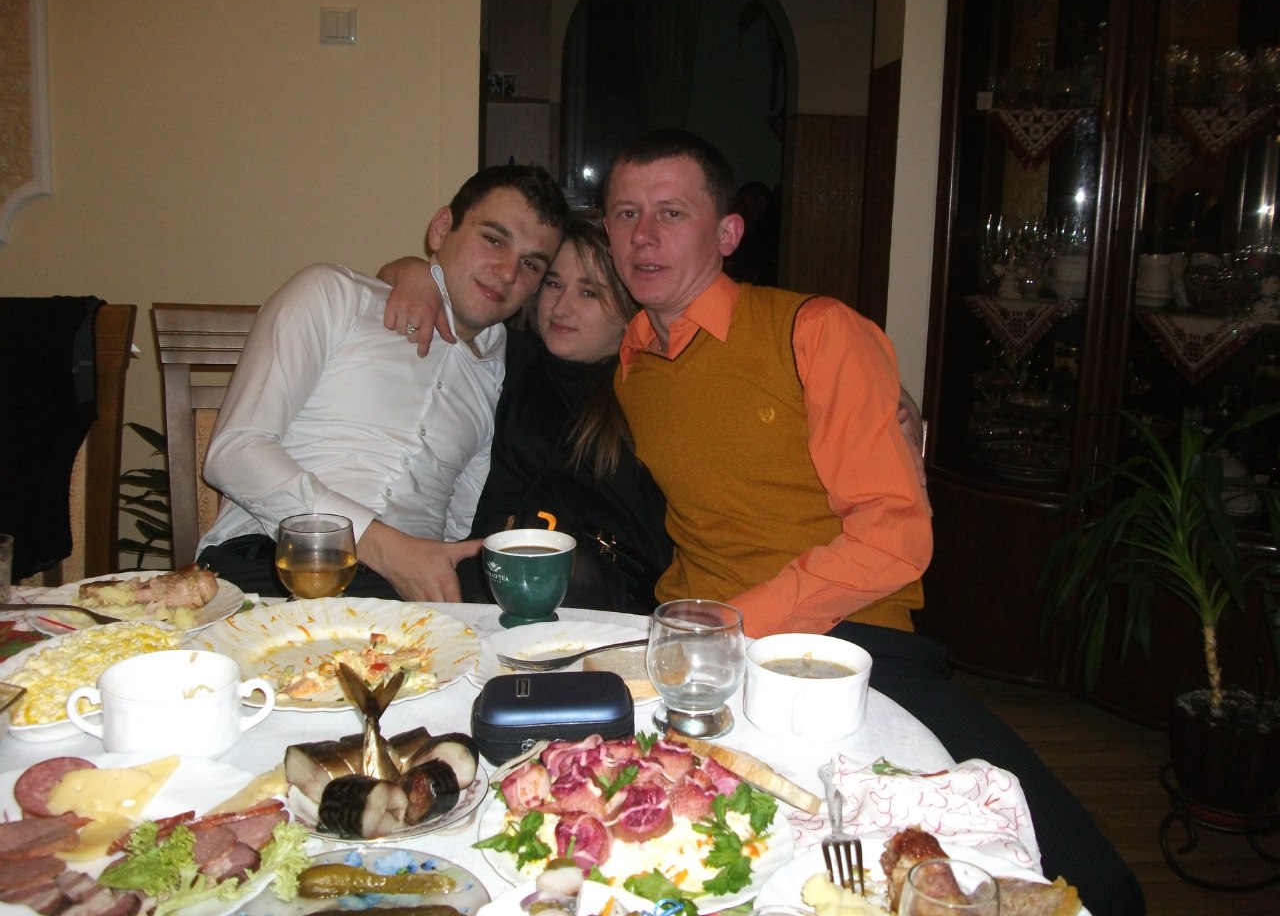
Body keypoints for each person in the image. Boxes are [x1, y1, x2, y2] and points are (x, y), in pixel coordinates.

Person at [597, 128, 1144, 916]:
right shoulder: (632, 361)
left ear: (728, 233)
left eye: (671, 213)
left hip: (850, 640)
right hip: (697, 653)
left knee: (1079, 880)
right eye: (625, 213)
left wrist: (736, 626)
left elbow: (895, 537)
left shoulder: (815, 332)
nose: (643, 236)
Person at [196, 164, 569, 601]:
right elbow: (234, 452)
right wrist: (383, 547)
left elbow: (458, 524)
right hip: (270, 571)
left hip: (400, 605)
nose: (507, 272)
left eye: (530, 264)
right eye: (493, 239)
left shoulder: (505, 380)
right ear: (441, 229)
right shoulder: (334, 296)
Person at [380, 213, 671, 614]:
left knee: (556, 579)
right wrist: (415, 272)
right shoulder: (505, 357)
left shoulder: (649, 391)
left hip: (605, 588)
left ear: (628, 309)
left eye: (589, 292)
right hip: (492, 571)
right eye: (554, 284)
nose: (562, 307)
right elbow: (406, 284)